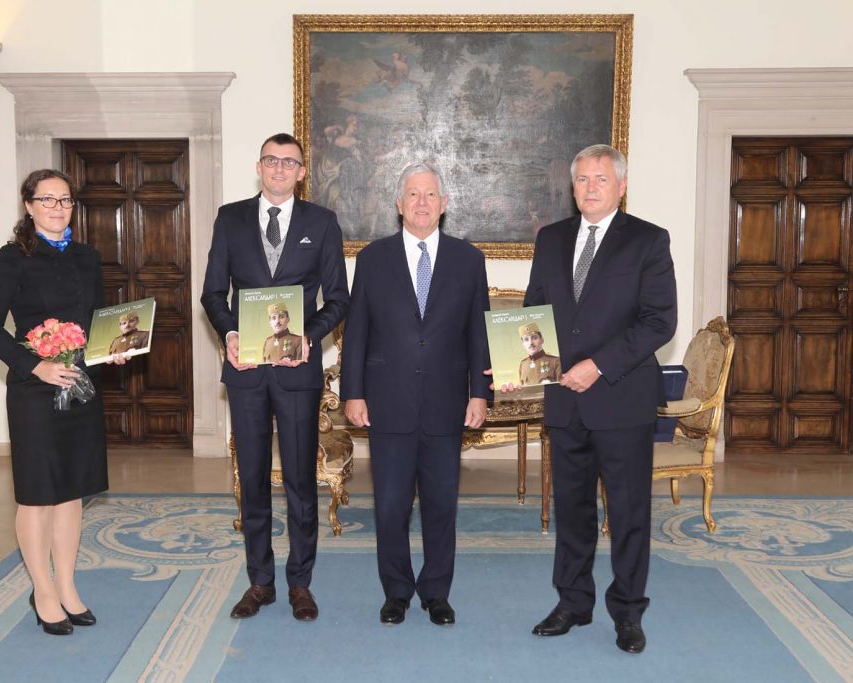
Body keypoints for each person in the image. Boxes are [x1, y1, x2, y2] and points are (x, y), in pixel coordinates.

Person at [509, 144, 676, 654]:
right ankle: (573, 602)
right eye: (582, 179)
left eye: (601, 179)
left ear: (621, 186)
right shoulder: (552, 238)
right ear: (572, 186)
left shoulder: (647, 240)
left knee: (627, 513)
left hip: (621, 398)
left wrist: (598, 365)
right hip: (565, 401)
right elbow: (534, 309)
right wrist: (515, 359)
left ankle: (628, 612)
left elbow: (659, 321)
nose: (590, 187)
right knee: (572, 510)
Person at [200, 133, 350, 622]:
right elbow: (212, 294)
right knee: (253, 479)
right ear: (259, 166)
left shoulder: (322, 222)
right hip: (246, 371)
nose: (279, 168)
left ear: (302, 172)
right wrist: (229, 334)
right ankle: (260, 582)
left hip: (296, 371)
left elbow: (339, 299)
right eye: (271, 160)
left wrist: (310, 336)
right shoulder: (230, 219)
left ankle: (300, 583)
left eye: (289, 162)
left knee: (302, 482)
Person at [0, 169, 128, 636]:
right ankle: (42, 590)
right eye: (47, 200)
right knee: (39, 494)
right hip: (35, 392)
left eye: (65, 200)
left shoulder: (87, 256)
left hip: (80, 385)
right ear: (29, 206)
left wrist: (112, 348)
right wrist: (35, 366)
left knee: (72, 491)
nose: (57, 208)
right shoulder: (12, 259)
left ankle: (67, 585)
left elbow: (97, 318)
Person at [341, 162, 489, 627]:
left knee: (442, 505)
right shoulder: (372, 259)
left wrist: (480, 393)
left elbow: (479, 333)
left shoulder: (469, 260)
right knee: (390, 505)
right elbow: (357, 332)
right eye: (413, 194)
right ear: (399, 203)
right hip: (387, 402)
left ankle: (436, 592)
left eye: (430, 195)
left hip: (447, 403)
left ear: (443, 204)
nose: (421, 202)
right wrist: (353, 392)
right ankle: (397, 592)